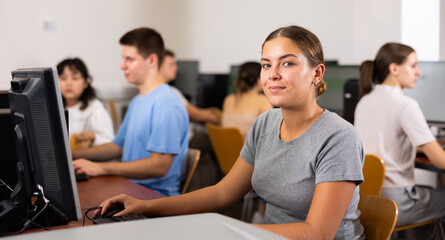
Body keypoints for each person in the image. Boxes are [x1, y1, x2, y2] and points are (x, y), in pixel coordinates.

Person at [95, 25, 365, 239]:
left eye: (287, 63)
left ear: (317, 73)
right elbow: (223, 193)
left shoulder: (338, 136)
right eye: (266, 64)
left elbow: (317, 234)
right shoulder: (265, 124)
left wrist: (228, 233)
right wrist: (145, 206)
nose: (272, 74)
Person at [72, 27, 189, 197]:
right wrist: (72, 155)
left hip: (154, 197)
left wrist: (101, 168)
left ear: (151, 61)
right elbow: (117, 147)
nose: (122, 65)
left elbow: (159, 166)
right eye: (123, 59)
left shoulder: (166, 104)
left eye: (129, 59)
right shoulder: (138, 101)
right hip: (129, 188)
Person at [354, 43, 445, 234]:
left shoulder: (364, 101)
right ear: (394, 68)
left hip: (367, 199)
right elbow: (440, 161)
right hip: (396, 201)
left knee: (429, 193)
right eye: (413, 66)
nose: (418, 72)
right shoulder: (405, 105)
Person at [57, 58, 114, 147]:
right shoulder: (54, 108)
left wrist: (93, 137)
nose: (68, 83)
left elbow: (109, 142)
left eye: (75, 78)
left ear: (86, 83)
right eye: (63, 78)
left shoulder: (95, 109)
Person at [159, 49, 221, 126]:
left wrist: (213, 111)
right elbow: (195, 115)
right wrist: (219, 118)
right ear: (159, 67)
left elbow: (195, 111)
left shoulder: (167, 91)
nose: (176, 68)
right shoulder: (169, 92)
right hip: (189, 136)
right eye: (171, 64)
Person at [222, 61, 273, 137]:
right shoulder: (262, 100)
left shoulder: (228, 99)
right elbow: (271, 131)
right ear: (259, 80)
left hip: (226, 148)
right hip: (249, 148)